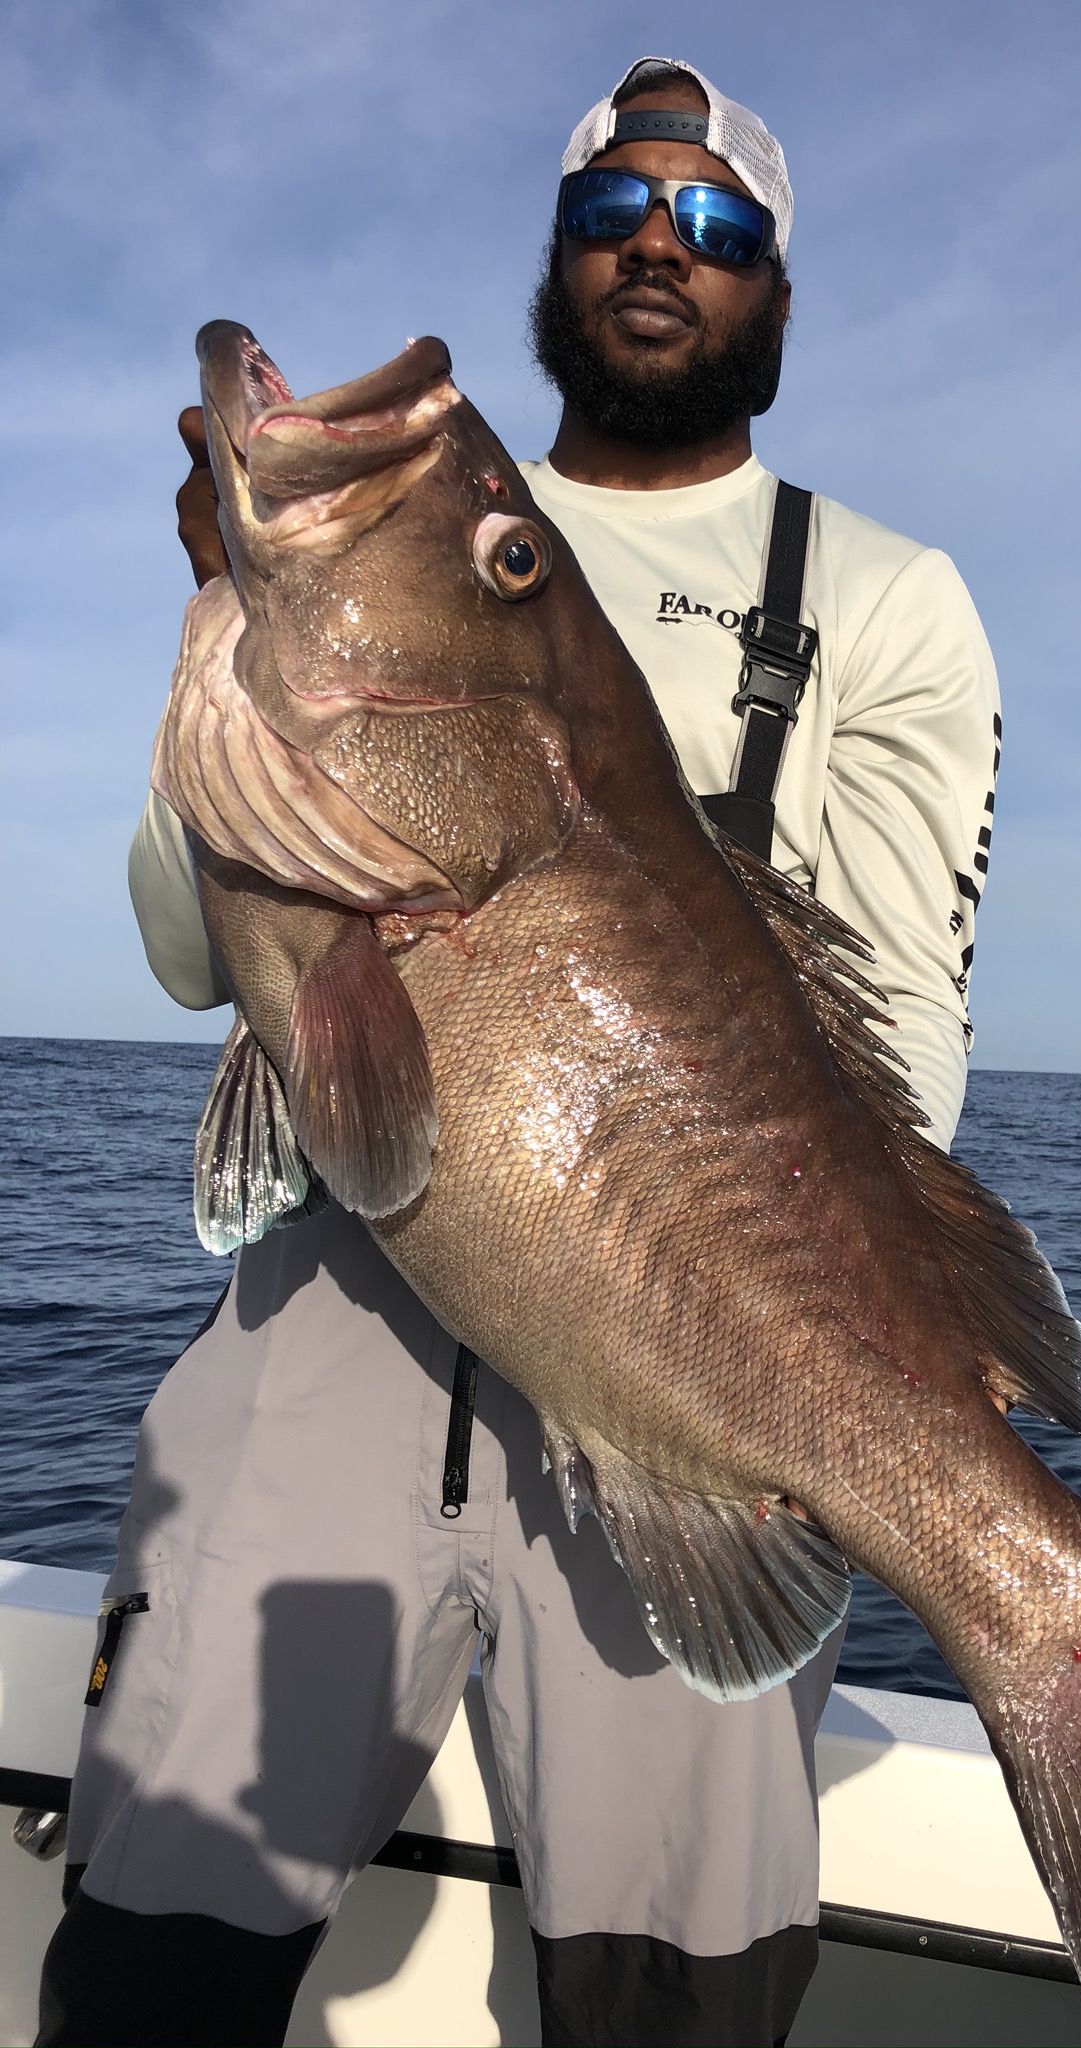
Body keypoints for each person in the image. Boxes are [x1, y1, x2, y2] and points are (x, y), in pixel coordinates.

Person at [40, 57, 1001, 2048]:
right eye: (618, 210)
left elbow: (898, 1046)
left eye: (720, 227)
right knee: (142, 1967)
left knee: (676, 2010)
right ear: (558, 261)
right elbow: (173, 948)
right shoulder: (377, 539)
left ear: (780, 300)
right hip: (324, 1317)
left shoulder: (890, 605)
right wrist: (241, 636)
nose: (664, 241)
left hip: (688, 1365)